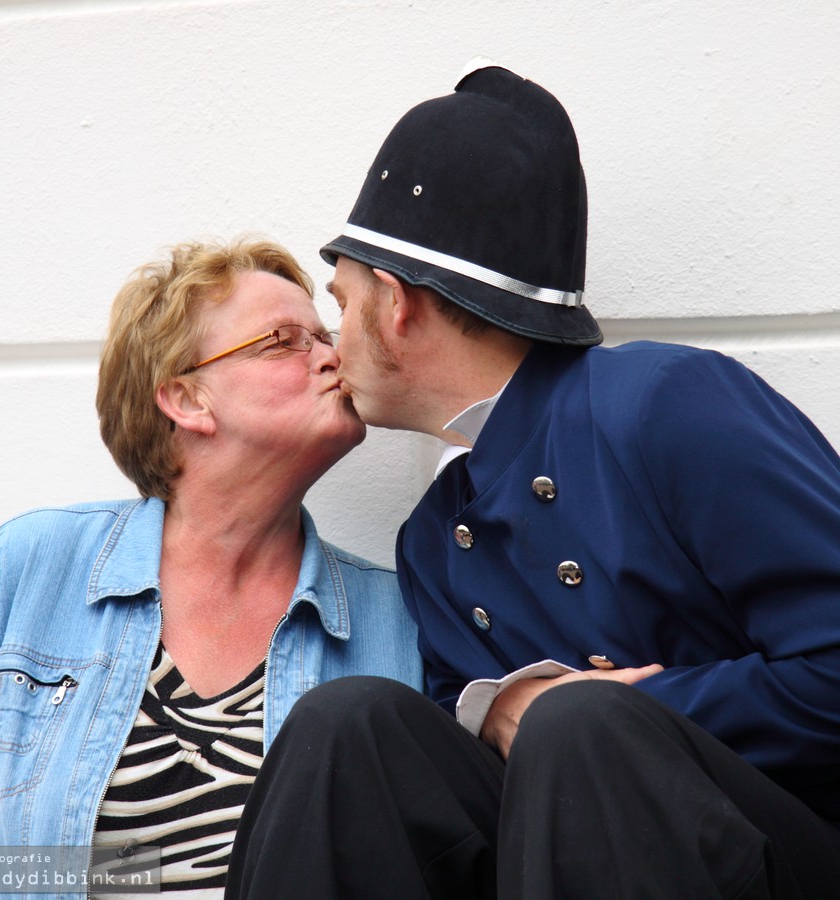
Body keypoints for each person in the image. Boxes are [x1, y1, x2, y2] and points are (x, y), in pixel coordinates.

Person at [225, 62, 840, 898]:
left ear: (397, 303)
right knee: (349, 726)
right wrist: (506, 719)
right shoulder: (435, 541)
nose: (333, 346)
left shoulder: (666, 403)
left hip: (779, 860)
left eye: (343, 301)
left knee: (578, 725)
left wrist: (621, 707)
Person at [0, 237, 422, 899]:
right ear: (186, 400)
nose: (332, 356)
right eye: (284, 340)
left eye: (324, 334)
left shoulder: (398, 620)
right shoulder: (30, 571)